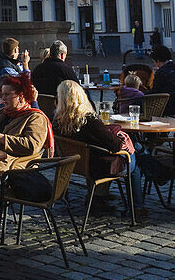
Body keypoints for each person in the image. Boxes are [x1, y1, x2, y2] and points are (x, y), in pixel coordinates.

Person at [0, 73, 53, 221]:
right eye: (2, 95)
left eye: (7, 95)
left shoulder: (35, 117)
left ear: (21, 96)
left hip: (10, 166)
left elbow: (31, 145)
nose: (3, 99)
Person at [53, 80, 142, 212]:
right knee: (135, 160)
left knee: (139, 150)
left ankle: (99, 196)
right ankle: (138, 207)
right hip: (97, 165)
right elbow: (116, 146)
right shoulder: (89, 121)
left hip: (76, 164)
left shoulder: (57, 122)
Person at [150, 46, 175, 116]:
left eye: (154, 62)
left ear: (158, 60)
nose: (155, 65)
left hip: (169, 107)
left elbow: (154, 93)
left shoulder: (162, 73)